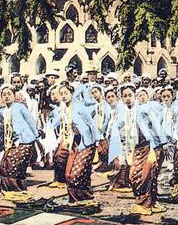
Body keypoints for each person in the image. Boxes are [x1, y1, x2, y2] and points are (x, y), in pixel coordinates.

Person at [109, 84, 168, 216]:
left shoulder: (143, 110)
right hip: (135, 149)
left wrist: (163, 142)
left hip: (149, 146)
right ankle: (148, 202)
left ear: (135, 96)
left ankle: (146, 204)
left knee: (145, 176)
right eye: (125, 96)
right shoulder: (123, 113)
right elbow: (116, 127)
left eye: (130, 95)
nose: (128, 98)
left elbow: (156, 125)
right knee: (135, 176)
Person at [48, 84, 100, 206]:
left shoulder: (80, 107)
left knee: (76, 173)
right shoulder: (63, 110)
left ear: (72, 93)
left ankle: (84, 198)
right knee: (69, 173)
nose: (64, 96)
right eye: (61, 94)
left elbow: (92, 124)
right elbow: (54, 124)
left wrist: (96, 141)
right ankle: (76, 199)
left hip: (86, 143)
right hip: (72, 143)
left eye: (66, 93)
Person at [0, 84, 40, 203]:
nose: (7, 97)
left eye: (9, 94)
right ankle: (11, 190)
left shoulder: (19, 107)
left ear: (14, 96)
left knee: (14, 164)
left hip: (25, 140)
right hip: (12, 142)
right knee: (6, 164)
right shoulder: (4, 110)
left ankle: (17, 189)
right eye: (4, 95)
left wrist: (36, 135)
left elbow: (30, 120)